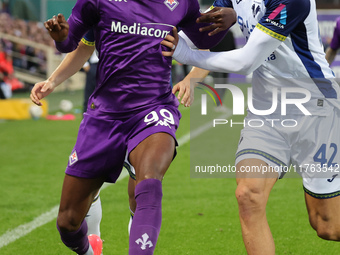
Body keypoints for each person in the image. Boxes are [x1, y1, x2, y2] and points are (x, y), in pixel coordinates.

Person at [30, 1, 236, 254]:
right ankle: (90, 249)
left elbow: (207, 41)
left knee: (149, 184)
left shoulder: (181, 2)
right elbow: (77, 43)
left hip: (154, 108)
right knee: (68, 222)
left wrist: (226, 23)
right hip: (104, 116)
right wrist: (57, 61)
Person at [162, 1, 340, 254]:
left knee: (327, 226)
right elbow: (201, 33)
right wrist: (150, 35)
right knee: (248, 195)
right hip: (266, 113)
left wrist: (186, 55)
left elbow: (247, 60)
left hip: (317, 110)